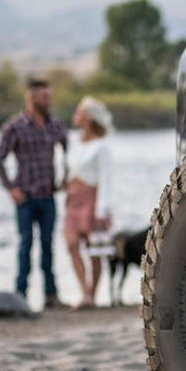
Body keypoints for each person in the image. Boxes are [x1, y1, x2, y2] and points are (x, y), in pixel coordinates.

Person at [0, 78, 67, 308]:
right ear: (32, 98)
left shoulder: (54, 125)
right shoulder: (15, 126)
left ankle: (51, 296)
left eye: (49, 96)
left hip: (48, 196)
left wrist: (65, 177)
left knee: (48, 247)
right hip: (25, 197)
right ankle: (20, 294)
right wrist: (10, 189)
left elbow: (69, 151)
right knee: (25, 245)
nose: (48, 100)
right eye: (44, 96)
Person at [64, 96, 114, 309]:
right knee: (71, 243)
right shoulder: (74, 142)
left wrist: (102, 209)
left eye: (78, 112)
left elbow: (105, 178)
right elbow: (71, 169)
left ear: (88, 118)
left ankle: (91, 295)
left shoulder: (101, 147)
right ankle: (84, 292)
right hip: (73, 197)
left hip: (92, 198)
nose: (75, 116)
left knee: (95, 250)